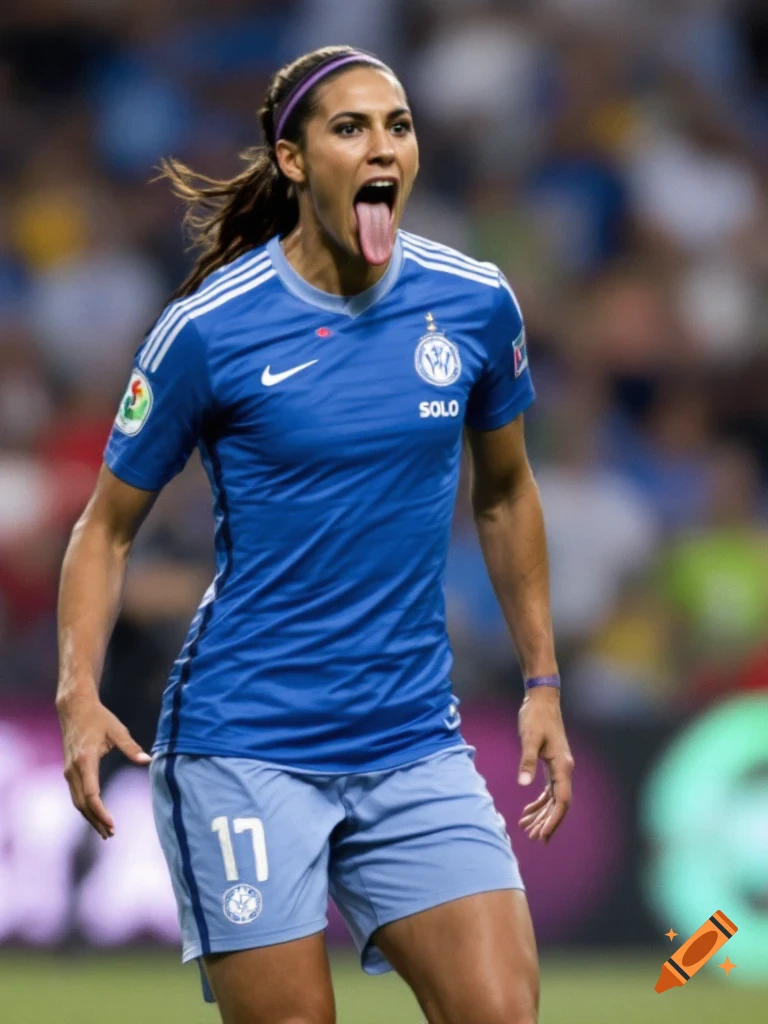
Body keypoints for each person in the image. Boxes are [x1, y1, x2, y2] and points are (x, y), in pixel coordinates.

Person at [56, 45, 573, 1024]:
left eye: (398, 126)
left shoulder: (473, 304)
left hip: (411, 737)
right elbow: (105, 528)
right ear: (293, 161)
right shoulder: (210, 330)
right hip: (244, 744)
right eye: (350, 128)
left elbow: (506, 494)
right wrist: (77, 693)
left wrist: (542, 681)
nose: (382, 148)